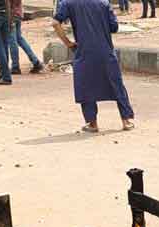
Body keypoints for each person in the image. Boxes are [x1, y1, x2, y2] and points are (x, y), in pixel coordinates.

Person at [52, 0, 134, 132]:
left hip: (84, 52)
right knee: (116, 84)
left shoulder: (68, 3)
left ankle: (92, 123)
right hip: (106, 51)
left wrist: (68, 43)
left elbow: (55, 23)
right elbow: (114, 27)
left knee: (86, 86)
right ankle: (126, 120)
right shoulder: (104, 2)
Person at [8, 0, 42, 74]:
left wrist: (10, 18)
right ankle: (35, 61)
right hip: (17, 14)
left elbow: (9, 4)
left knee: (13, 41)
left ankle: (15, 66)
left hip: (12, 15)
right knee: (19, 39)